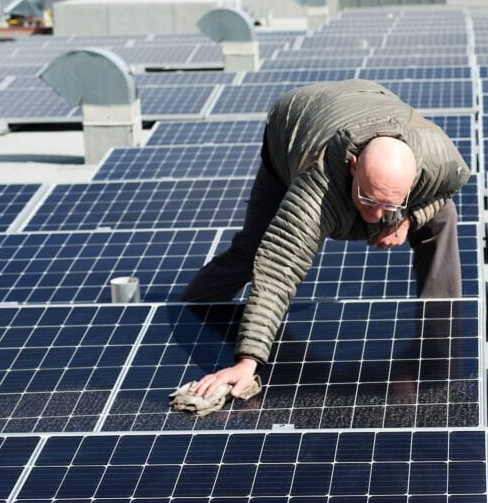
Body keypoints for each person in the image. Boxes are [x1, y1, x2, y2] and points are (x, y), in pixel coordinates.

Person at [179, 79, 470, 400]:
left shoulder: (445, 164)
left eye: (389, 204)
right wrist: (248, 361)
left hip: (369, 98)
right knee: (254, 251)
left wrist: (410, 217)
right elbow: (279, 268)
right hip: (295, 122)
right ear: (354, 165)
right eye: (368, 199)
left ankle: (441, 339)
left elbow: (444, 192)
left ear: (415, 178)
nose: (375, 216)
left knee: (442, 219)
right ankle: (189, 309)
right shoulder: (317, 188)